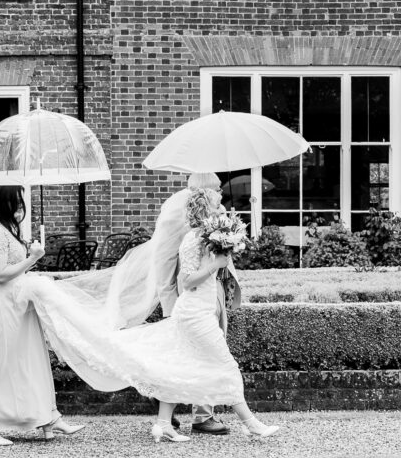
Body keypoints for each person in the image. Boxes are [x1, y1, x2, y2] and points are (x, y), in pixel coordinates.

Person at [17, 187, 280, 443]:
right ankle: (251, 424)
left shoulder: (207, 239)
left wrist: (223, 254)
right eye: (216, 205)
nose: (222, 208)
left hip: (201, 312)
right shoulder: (192, 240)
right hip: (194, 315)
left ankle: (163, 424)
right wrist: (214, 265)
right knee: (227, 367)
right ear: (204, 210)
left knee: (176, 367)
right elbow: (186, 281)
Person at [0, 186, 85, 446]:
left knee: (30, 362)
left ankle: (47, 418)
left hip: (19, 306)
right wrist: (32, 258)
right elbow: (0, 274)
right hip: (3, 307)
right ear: (4, 203)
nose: (21, 209)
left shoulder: (7, 229)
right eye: (17, 203)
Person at [149, 173, 232, 435]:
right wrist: (169, 306)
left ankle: (202, 415)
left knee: (209, 352)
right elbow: (163, 261)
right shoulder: (178, 211)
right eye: (218, 187)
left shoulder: (217, 214)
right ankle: (167, 412)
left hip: (212, 290)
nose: (221, 191)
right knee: (182, 357)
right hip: (189, 296)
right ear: (206, 188)